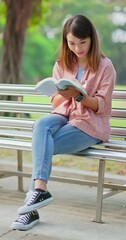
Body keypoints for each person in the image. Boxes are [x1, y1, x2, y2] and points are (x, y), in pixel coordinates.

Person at [11, 14, 116, 230]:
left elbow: (101, 106)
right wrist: (62, 94)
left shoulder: (105, 66)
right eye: (72, 43)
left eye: (82, 43)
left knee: (41, 146)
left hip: (89, 124)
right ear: (65, 41)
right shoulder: (62, 63)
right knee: (41, 125)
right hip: (64, 115)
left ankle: (30, 212)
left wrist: (78, 95)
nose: (77, 48)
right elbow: (56, 102)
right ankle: (40, 190)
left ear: (92, 40)